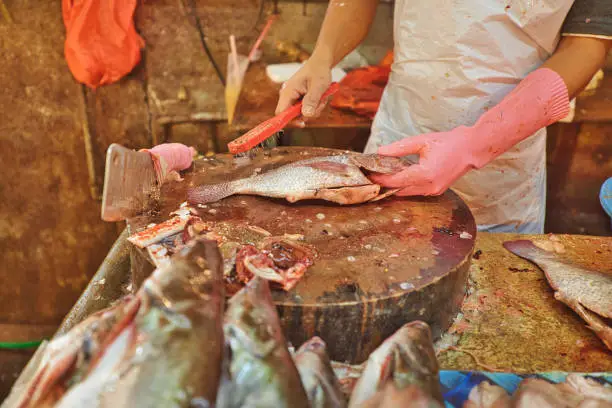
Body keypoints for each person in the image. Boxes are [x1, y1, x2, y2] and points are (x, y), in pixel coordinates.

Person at [275, 0, 612, 233]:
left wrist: (474, 144)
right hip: (401, 132)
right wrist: (323, 55)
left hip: (503, 165)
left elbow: (585, 46)